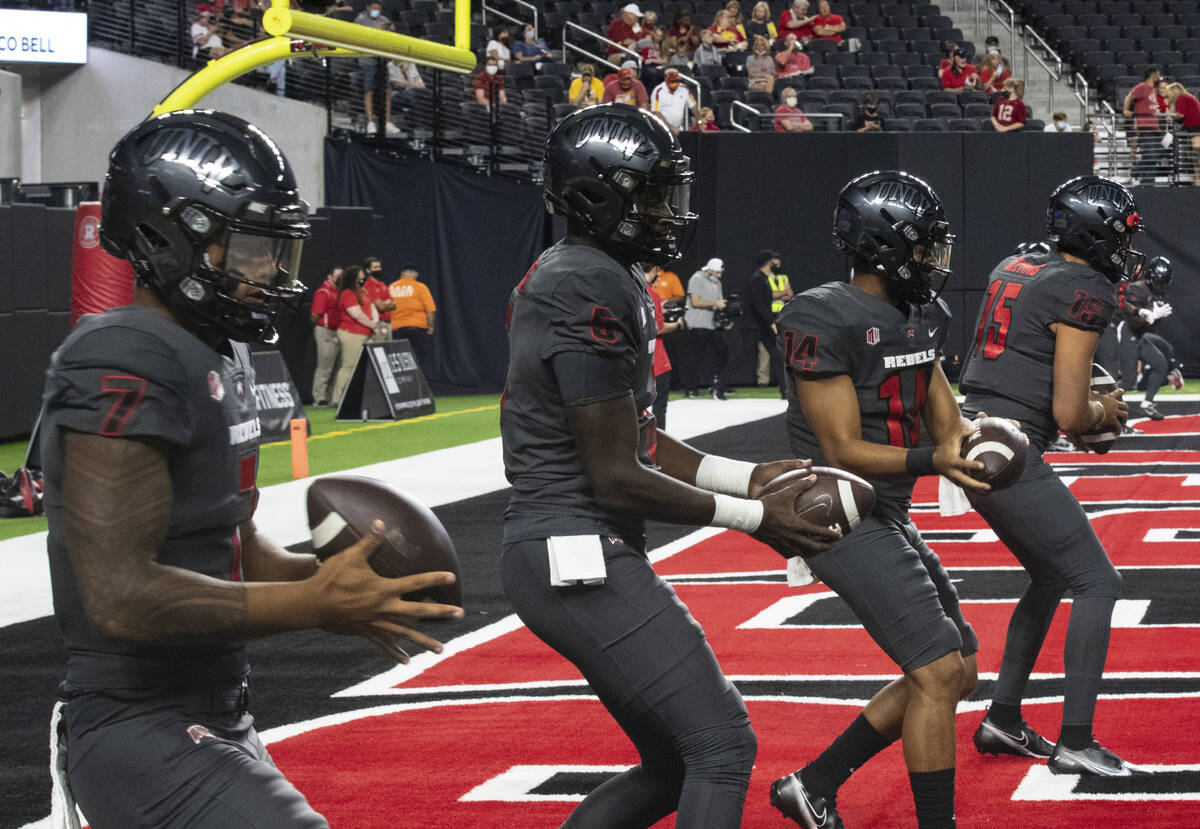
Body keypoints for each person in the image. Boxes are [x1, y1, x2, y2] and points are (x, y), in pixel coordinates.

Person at [42, 109, 462, 829]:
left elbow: (236, 547)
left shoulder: (219, 350)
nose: (269, 270)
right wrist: (316, 604)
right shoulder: (120, 356)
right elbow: (120, 596)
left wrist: (340, 579)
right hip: (136, 717)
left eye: (276, 249)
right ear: (165, 239)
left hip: (215, 707)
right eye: (248, 249)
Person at [501, 102, 839, 829]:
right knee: (721, 743)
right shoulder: (585, 283)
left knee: (674, 765)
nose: (669, 210)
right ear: (600, 196)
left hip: (578, 542)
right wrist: (754, 518)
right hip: (573, 546)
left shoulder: (600, 273)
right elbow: (615, 472)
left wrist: (744, 476)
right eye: (652, 193)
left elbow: (639, 439)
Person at [770, 170, 986, 829]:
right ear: (883, 245)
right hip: (835, 508)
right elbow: (839, 448)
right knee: (936, 669)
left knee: (962, 669)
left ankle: (813, 783)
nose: (931, 259)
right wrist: (932, 458)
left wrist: (984, 442)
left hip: (887, 508)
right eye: (922, 247)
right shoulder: (821, 312)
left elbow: (945, 415)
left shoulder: (925, 313)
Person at [959, 175, 1143, 777]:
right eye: (1119, 235)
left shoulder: (1016, 263)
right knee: (1099, 582)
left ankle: (1002, 719)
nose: (1123, 249)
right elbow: (1069, 413)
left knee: (1049, 575)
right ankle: (1077, 739)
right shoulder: (1087, 287)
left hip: (974, 430)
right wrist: (1105, 413)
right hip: (1010, 444)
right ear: (1094, 235)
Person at [1115, 255, 1178, 420]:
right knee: (1129, 381)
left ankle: (1147, 404)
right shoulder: (1137, 289)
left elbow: (1151, 326)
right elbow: (1134, 322)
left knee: (1160, 364)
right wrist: (1151, 316)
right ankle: (1108, 406)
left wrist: (1154, 317)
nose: (1160, 285)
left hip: (1139, 335)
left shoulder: (1157, 293)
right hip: (1128, 334)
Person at [644, 262, 684, 429]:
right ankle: (659, 447)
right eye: (657, 271)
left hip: (635, 360)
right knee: (659, 406)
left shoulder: (627, 290)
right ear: (653, 269)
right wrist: (678, 324)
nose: (659, 275)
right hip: (657, 360)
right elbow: (658, 329)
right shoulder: (652, 294)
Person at [684, 257, 730, 398]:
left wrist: (725, 320)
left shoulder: (716, 282)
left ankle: (718, 384)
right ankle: (691, 388)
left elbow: (719, 303)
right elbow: (695, 302)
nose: (719, 276)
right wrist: (715, 303)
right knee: (697, 356)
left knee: (723, 351)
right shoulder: (696, 278)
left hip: (712, 324)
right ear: (709, 270)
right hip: (696, 322)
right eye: (717, 273)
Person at [333, 265, 378, 403]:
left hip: (363, 332)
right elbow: (356, 314)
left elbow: (372, 306)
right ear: (353, 277)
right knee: (348, 366)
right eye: (360, 275)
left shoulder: (361, 291)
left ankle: (352, 397)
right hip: (352, 332)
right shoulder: (347, 293)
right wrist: (372, 325)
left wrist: (374, 321)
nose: (362, 277)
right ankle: (338, 399)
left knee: (357, 367)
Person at [745, 250, 787, 396]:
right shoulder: (757, 279)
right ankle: (719, 386)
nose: (776, 263)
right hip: (755, 325)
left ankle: (785, 391)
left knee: (777, 356)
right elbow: (759, 304)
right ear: (768, 262)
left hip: (762, 325)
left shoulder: (763, 278)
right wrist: (771, 322)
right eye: (773, 261)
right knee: (741, 356)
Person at [355, 1, 397, 136]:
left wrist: (386, 27)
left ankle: (387, 121)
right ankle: (370, 122)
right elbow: (355, 36)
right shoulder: (360, 20)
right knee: (369, 91)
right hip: (367, 60)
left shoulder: (383, 20)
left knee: (387, 90)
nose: (376, 12)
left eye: (378, 9)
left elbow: (392, 29)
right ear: (368, 8)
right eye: (373, 9)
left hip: (382, 60)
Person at [388, 264, 438, 371]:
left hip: (397, 329)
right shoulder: (420, 287)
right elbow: (431, 309)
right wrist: (431, 328)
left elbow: (387, 307)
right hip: (417, 328)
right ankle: (416, 384)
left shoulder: (392, 287)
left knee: (400, 360)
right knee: (418, 360)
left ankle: (403, 384)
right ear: (416, 274)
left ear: (402, 274)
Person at [310, 265, 343, 406]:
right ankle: (319, 397)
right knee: (325, 365)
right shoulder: (323, 292)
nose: (341, 279)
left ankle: (331, 398)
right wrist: (323, 326)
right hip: (326, 331)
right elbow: (315, 315)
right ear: (330, 276)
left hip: (337, 331)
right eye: (338, 276)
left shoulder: (338, 292)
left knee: (337, 367)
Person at [1123, 66, 1162, 183]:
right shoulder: (1142, 87)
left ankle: (1148, 183)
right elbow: (1129, 96)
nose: (1159, 77)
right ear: (1153, 75)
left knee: (1153, 158)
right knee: (1151, 156)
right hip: (1145, 127)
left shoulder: (1155, 89)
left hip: (1156, 128)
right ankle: (1135, 171)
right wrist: (1126, 110)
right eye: (1158, 75)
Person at [1165, 82, 1200, 185]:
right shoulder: (1186, 97)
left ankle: (1198, 180)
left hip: (1196, 128)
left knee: (1197, 154)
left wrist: (1170, 116)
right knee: (1196, 155)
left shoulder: (1182, 97)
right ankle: (1197, 180)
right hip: (1193, 127)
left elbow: (1181, 115)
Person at [651, 68, 699, 132]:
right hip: (662, 128)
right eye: (672, 81)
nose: (675, 83)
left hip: (678, 128)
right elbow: (656, 112)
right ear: (666, 79)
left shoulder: (684, 89)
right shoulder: (658, 91)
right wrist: (669, 128)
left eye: (676, 81)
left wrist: (699, 121)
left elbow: (693, 106)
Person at [362, 256, 395, 343]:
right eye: (375, 268)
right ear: (368, 270)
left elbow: (394, 305)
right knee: (379, 352)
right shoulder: (367, 286)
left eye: (379, 267)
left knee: (389, 352)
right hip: (377, 324)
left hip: (388, 323)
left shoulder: (383, 285)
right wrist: (387, 303)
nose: (379, 269)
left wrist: (385, 303)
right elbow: (380, 307)